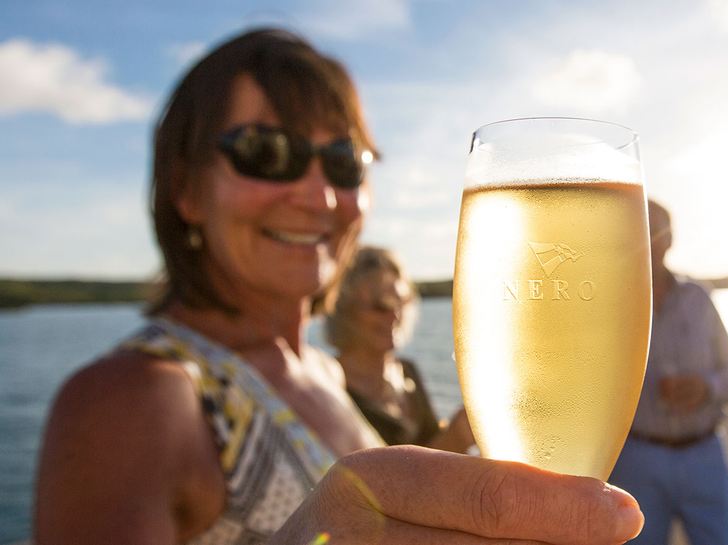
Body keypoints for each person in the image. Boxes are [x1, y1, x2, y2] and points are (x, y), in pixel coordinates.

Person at [33, 27, 644, 545]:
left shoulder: (323, 371)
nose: (319, 194)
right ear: (187, 190)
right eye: (266, 152)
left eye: (343, 160)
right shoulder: (132, 400)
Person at [608, 199, 728, 545]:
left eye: (655, 230)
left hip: (706, 454)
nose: (646, 239)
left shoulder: (699, 297)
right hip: (636, 459)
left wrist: (705, 388)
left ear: (670, 239)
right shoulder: (606, 303)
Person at [326, 245, 474, 452]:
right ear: (342, 308)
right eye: (382, 305)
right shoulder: (328, 386)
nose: (394, 315)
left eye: (401, 302)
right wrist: (456, 437)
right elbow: (375, 478)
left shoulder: (406, 370)